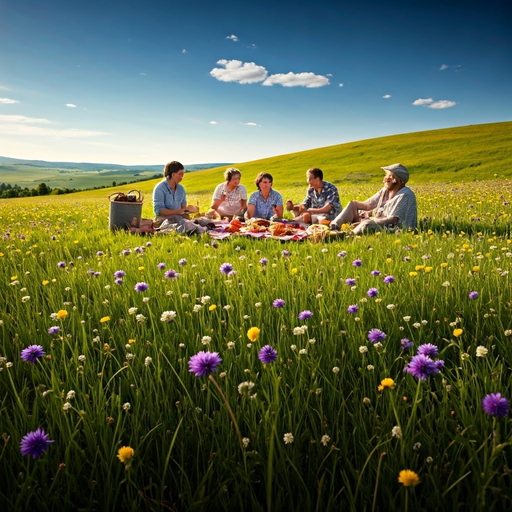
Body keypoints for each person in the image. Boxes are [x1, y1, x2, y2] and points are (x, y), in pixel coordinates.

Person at [329, 163, 417, 234]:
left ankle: (345, 236)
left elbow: (393, 220)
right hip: (377, 220)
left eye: (390, 177)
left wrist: (368, 220)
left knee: (367, 224)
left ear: (398, 180)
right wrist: (358, 208)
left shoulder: (405, 195)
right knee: (352, 204)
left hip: (393, 229)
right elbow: (369, 204)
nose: (385, 179)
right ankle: (334, 228)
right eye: (386, 176)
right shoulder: (385, 190)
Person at [152, 161, 203, 232]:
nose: (182, 176)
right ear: (173, 175)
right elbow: (161, 211)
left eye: (183, 174)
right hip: (164, 219)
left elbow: (183, 208)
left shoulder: (181, 189)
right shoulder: (160, 188)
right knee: (187, 225)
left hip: (179, 217)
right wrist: (182, 210)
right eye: (180, 174)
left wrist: (190, 210)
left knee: (203, 221)